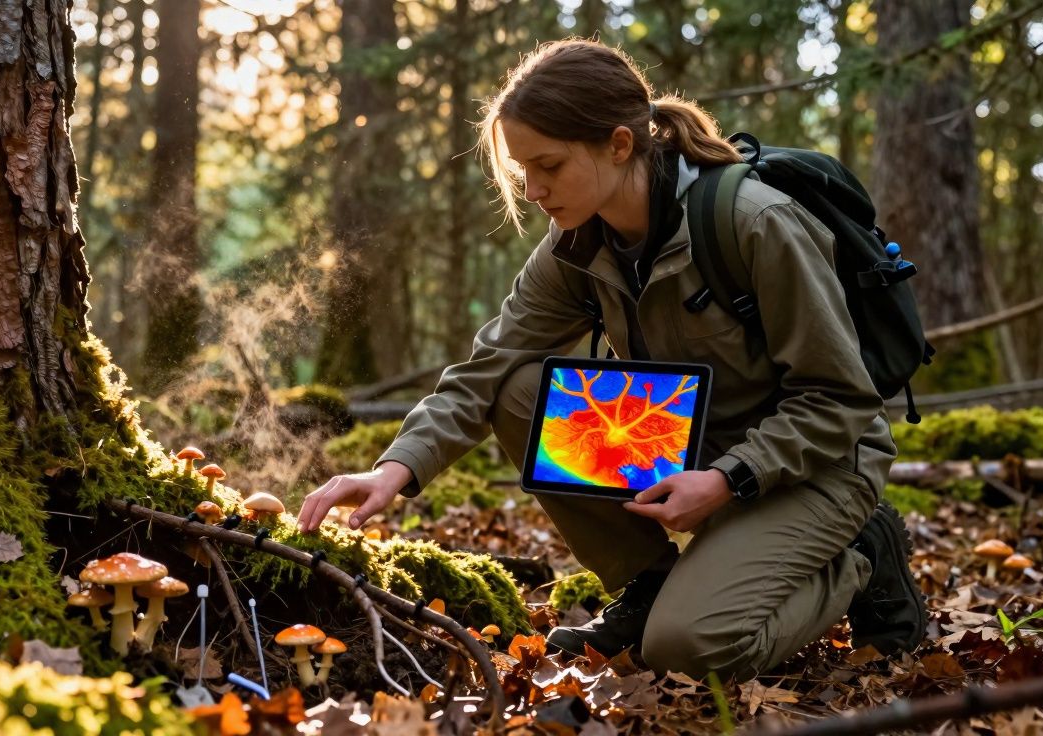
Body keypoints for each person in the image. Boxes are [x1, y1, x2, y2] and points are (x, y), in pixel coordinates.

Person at [297, 38, 926, 682]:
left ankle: (858, 559)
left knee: (687, 650)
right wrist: (393, 471)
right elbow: (488, 368)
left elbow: (841, 399)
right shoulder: (575, 244)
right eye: (522, 171)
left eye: (550, 165)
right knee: (518, 391)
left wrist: (730, 479)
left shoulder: (754, 222)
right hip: (693, 446)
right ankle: (650, 582)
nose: (535, 190)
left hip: (815, 464)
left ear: (619, 145)